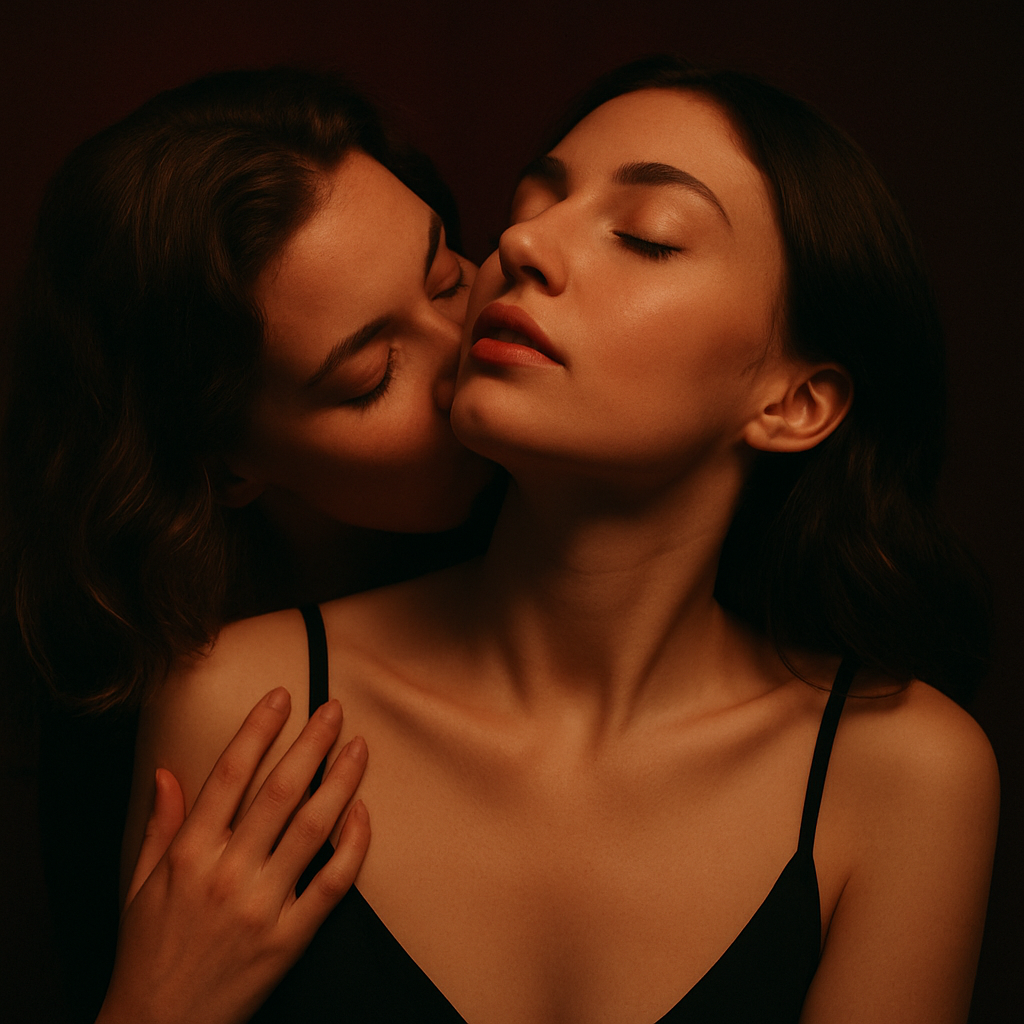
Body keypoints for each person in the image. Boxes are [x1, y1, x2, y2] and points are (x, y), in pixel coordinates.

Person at [124, 56, 999, 1023]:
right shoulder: (250, 707)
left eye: (645, 236)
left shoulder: (905, 776)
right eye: (530, 202)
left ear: (794, 403)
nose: (524, 240)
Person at [0, 67, 498, 1022]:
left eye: (448, 276)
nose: (469, 355)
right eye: (370, 375)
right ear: (229, 468)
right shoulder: (143, 725)